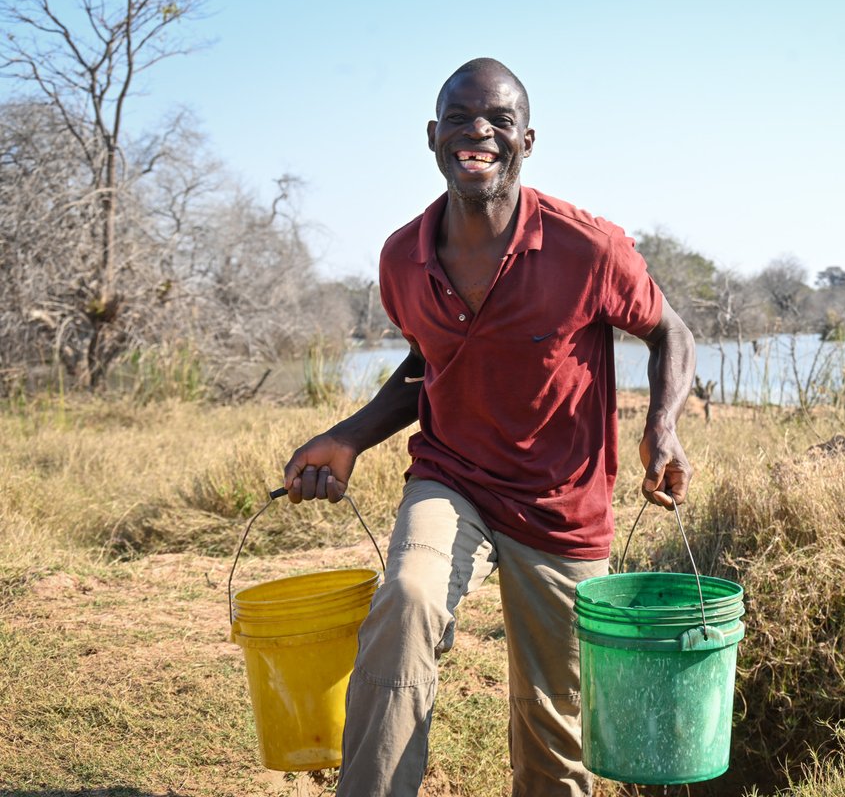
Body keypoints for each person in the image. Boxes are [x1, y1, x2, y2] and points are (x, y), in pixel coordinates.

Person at [282, 57, 696, 797]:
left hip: (562, 502)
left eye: (498, 120)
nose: (479, 131)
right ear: (434, 136)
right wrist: (346, 438)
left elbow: (672, 334)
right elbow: (427, 366)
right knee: (406, 601)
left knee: (556, 716)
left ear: (526, 141)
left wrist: (662, 428)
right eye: (462, 117)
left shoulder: (588, 248)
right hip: (454, 477)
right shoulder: (401, 258)